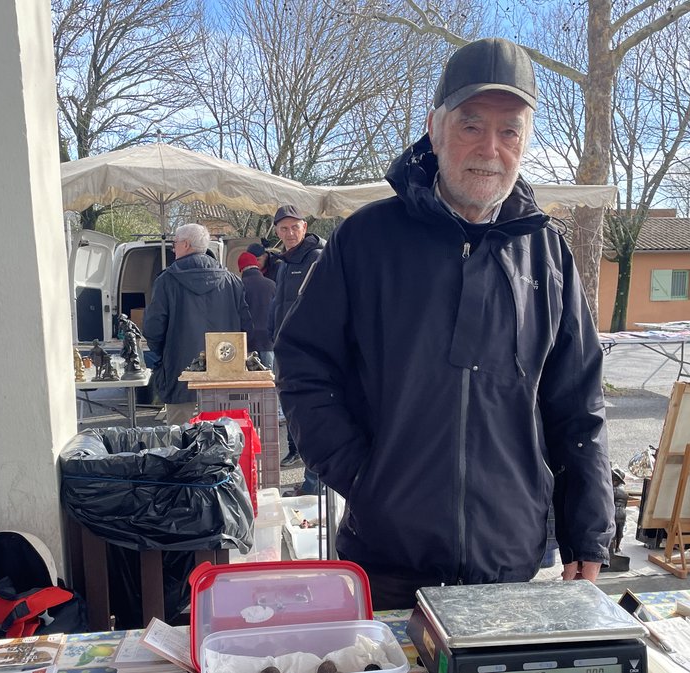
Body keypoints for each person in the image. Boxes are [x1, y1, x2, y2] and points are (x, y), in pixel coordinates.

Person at [274, 37, 614, 609]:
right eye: (471, 125)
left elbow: (578, 404)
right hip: (385, 564)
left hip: (510, 568)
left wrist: (587, 526)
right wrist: (361, 475)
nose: (490, 147)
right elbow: (303, 362)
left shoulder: (549, 257)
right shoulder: (367, 240)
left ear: (526, 142)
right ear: (435, 128)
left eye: (510, 131)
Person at [144, 223, 251, 426]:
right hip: (224, 372)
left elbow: (153, 328)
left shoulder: (166, 281)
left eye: (174, 244)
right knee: (223, 438)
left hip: (180, 372)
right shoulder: (232, 281)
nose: (173, 249)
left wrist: (163, 357)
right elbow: (245, 328)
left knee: (181, 439)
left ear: (185, 244)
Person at [267, 205, 326, 499]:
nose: (289, 234)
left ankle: (315, 488)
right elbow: (279, 303)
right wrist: (271, 333)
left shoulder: (316, 257)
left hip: (309, 353)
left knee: (311, 418)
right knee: (296, 417)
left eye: (294, 227)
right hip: (285, 350)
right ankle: (312, 484)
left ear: (305, 227)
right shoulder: (284, 263)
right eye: (283, 229)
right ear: (277, 232)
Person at [238, 251, 277, 370]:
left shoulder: (239, 286)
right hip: (268, 340)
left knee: (251, 383)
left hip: (247, 342)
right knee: (270, 380)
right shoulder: (271, 285)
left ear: (241, 269)